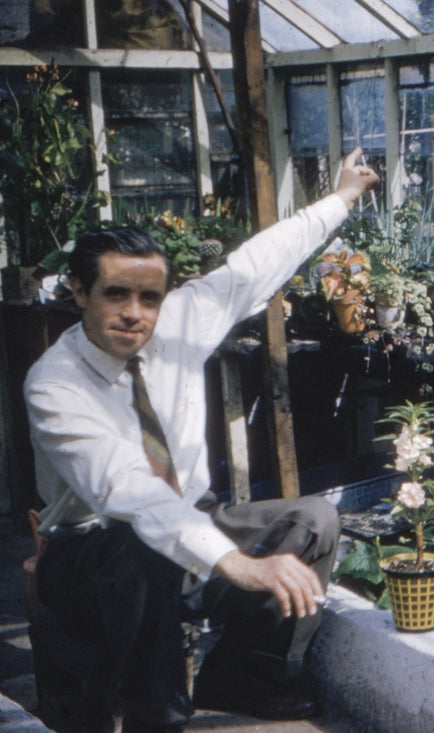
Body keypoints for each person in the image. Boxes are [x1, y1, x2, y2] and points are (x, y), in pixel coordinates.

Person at [24, 148, 380, 733]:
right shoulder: (54, 385)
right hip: (89, 551)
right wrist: (235, 563)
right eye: (115, 294)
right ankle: (155, 717)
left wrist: (341, 196)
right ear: (78, 292)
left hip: (189, 516)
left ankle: (245, 678)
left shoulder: (181, 320)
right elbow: (130, 492)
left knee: (313, 519)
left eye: (150, 298)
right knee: (148, 549)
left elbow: (259, 261)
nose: (134, 315)